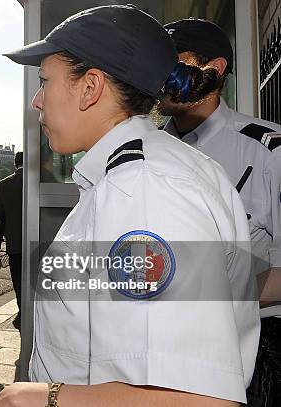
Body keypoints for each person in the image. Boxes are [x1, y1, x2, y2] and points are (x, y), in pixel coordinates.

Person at [0, 5, 260, 406]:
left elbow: (196, 399)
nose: (37, 101)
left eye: (46, 81)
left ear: (90, 87)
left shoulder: (144, 192)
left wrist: (42, 398)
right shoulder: (153, 170)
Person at [159, 18, 281, 407]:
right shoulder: (147, 152)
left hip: (255, 351)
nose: (159, 76)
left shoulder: (266, 152)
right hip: (162, 348)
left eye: (173, 63)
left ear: (213, 71)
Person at [0, 151, 24, 330]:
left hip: (15, 243)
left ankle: (22, 311)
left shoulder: (3, 184)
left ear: (14, 163)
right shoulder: (40, 180)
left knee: (18, 280)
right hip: (40, 242)